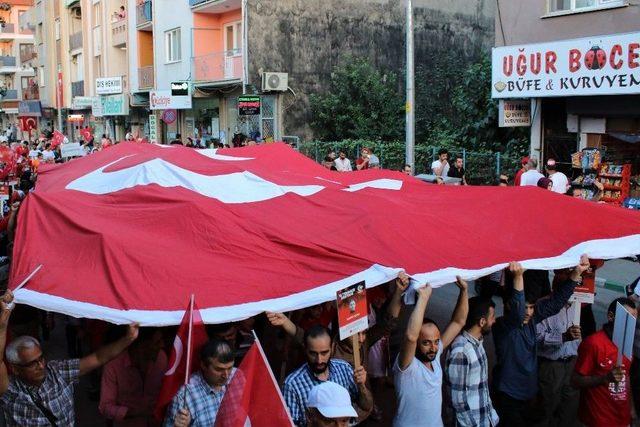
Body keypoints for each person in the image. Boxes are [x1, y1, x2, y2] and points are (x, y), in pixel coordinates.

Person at [0, 290, 140, 427]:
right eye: (32, 364)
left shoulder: (58, 371)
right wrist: (2, 325)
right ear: (15, 369)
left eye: (41, 358)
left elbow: (98, 358)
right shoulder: (10, 391)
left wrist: (128, 339)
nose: (41, 366)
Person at [492, 257, 588, 427]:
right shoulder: (503, 327)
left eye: (531, 307)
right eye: (525, 307)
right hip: (508, 396)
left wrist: (577, 272)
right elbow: (517, 311)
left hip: (529, 393)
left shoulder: (532, 321)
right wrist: (518, 277)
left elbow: (556, 303)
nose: (528, 312)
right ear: (508, 305)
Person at [393, 277, 468, 426]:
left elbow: (459, 322)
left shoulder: (435, 353)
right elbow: (411, 336)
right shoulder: (407, 365)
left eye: (436, 341)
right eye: (426, 342)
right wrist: (423, 298)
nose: (433, 347)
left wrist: (464, 290)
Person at [283, 325, 373, 426]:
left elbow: (366, 406)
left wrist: (362, 386)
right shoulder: (292, 385)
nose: (319, 360)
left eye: (324, 353)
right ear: (305, 349)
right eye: (313, 353)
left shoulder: (344, 369)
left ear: (332, 347)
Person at [572, 297, 638, 427]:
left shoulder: (627, 344)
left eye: (635, 319)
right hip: (599, 419)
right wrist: (605, 378)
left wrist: (632, 410)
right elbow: (575, 381)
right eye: (628, 319)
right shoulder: (593, 343)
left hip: (622, 418)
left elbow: (626, 377)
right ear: (611, 316)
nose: (632, 324)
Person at [445, 295, 498, 427]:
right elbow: (458, 401)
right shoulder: (461, 351)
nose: (495, 321)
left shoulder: (477, 343)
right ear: (482, 322)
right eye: (492, 317)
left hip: (485, 419)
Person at [99, 327, 168, 427]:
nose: (162, 345)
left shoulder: (161, 358)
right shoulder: (113, 365)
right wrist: (134, 412)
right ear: (140, 346)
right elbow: (105, 407)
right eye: (157, 342)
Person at [164, 339, 238, 427]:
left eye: (230, 368)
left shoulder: (238, 377)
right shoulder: (185, 395)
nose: (226, 375)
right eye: (219, 369)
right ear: (203, 365)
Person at [535, 302, 582, 427]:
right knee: (547, 404)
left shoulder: (577, 306)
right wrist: (563, 336)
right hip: (552, 364)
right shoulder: (546, 307)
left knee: (569, 404)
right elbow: (536, 337)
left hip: (572, 362)